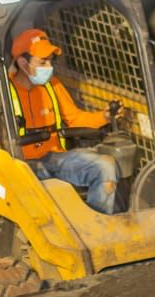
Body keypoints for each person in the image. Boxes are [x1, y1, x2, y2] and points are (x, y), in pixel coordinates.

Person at [8, 28, 123, 214]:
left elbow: (75, 119)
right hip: (21, 166)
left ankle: (96, 225)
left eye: (50, 61)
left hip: (56, 158)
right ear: (22, 63)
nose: (49, 67)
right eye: (42, 62)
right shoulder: (0, 94)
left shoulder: (53, 85)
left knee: (105, 166)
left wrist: (104, 117)